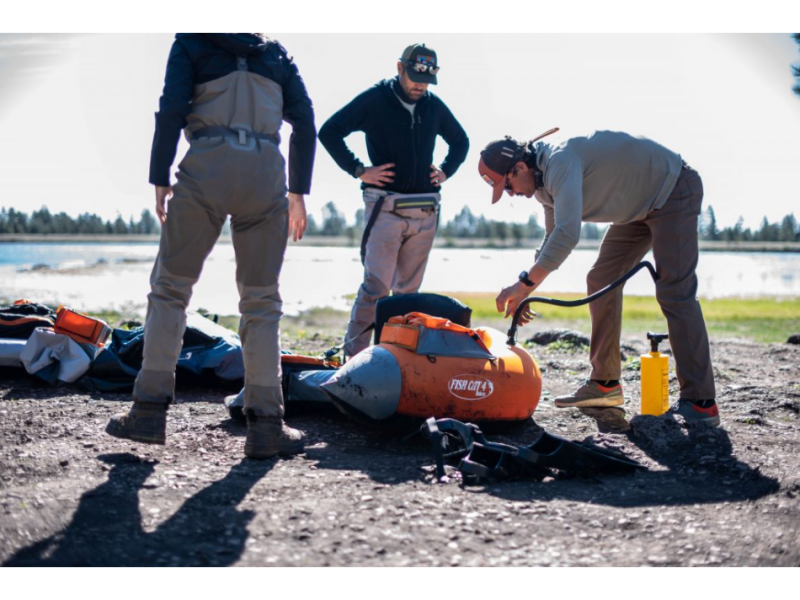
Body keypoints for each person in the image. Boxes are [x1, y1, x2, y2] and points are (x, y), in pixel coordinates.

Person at [106, 32, 317, 457]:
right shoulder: (275, 53)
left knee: (170, 289)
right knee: (260, 301)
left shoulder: (190, 42)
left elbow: (171, 110)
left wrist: (160, 176)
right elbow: (306, 121)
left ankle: (148, 410)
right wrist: (298, 192)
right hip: (264, 173)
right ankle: (266, 424)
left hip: (206, 167)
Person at [479, 130, 720, 426]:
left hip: (672, 188)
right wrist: (526, 289)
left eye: (508, 186)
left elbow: (568, 234)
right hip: (637, 208)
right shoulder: (540, 185)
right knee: (601, 279)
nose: (511, 194)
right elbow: (553, 237)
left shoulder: (559, 162)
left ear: (519, 168)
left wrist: (523, 285)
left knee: (674, 291)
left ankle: (701, 402)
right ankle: (605, 386)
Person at [318, 43, 469, 357]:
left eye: (426, 80)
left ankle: (396, 359)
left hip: (425, 208)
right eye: (414, 76)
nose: (420, 85)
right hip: (384, 205)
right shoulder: (375, 100)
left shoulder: (434, 106)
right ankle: (355, 357)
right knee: (375, 288)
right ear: (400, 68)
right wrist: (359, 169)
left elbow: (461, 141)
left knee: (408, 295)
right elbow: (329, 131)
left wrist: (445, 171)